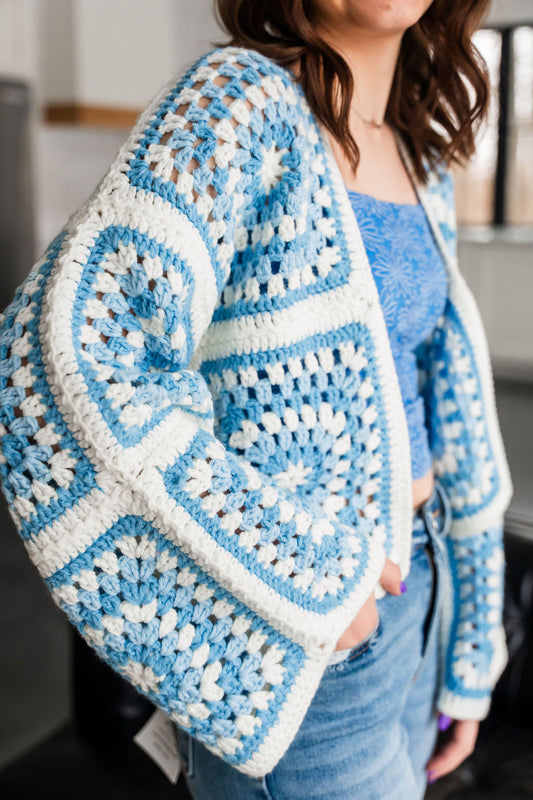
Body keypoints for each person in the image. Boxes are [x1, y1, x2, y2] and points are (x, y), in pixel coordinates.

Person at [0, 0, 513, 798]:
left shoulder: (422, 152)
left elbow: (436, 392)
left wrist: (468, 643)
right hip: (313, 640)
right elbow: (64, 363)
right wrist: (303, 579)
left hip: (423, 590)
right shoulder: (237, 102)